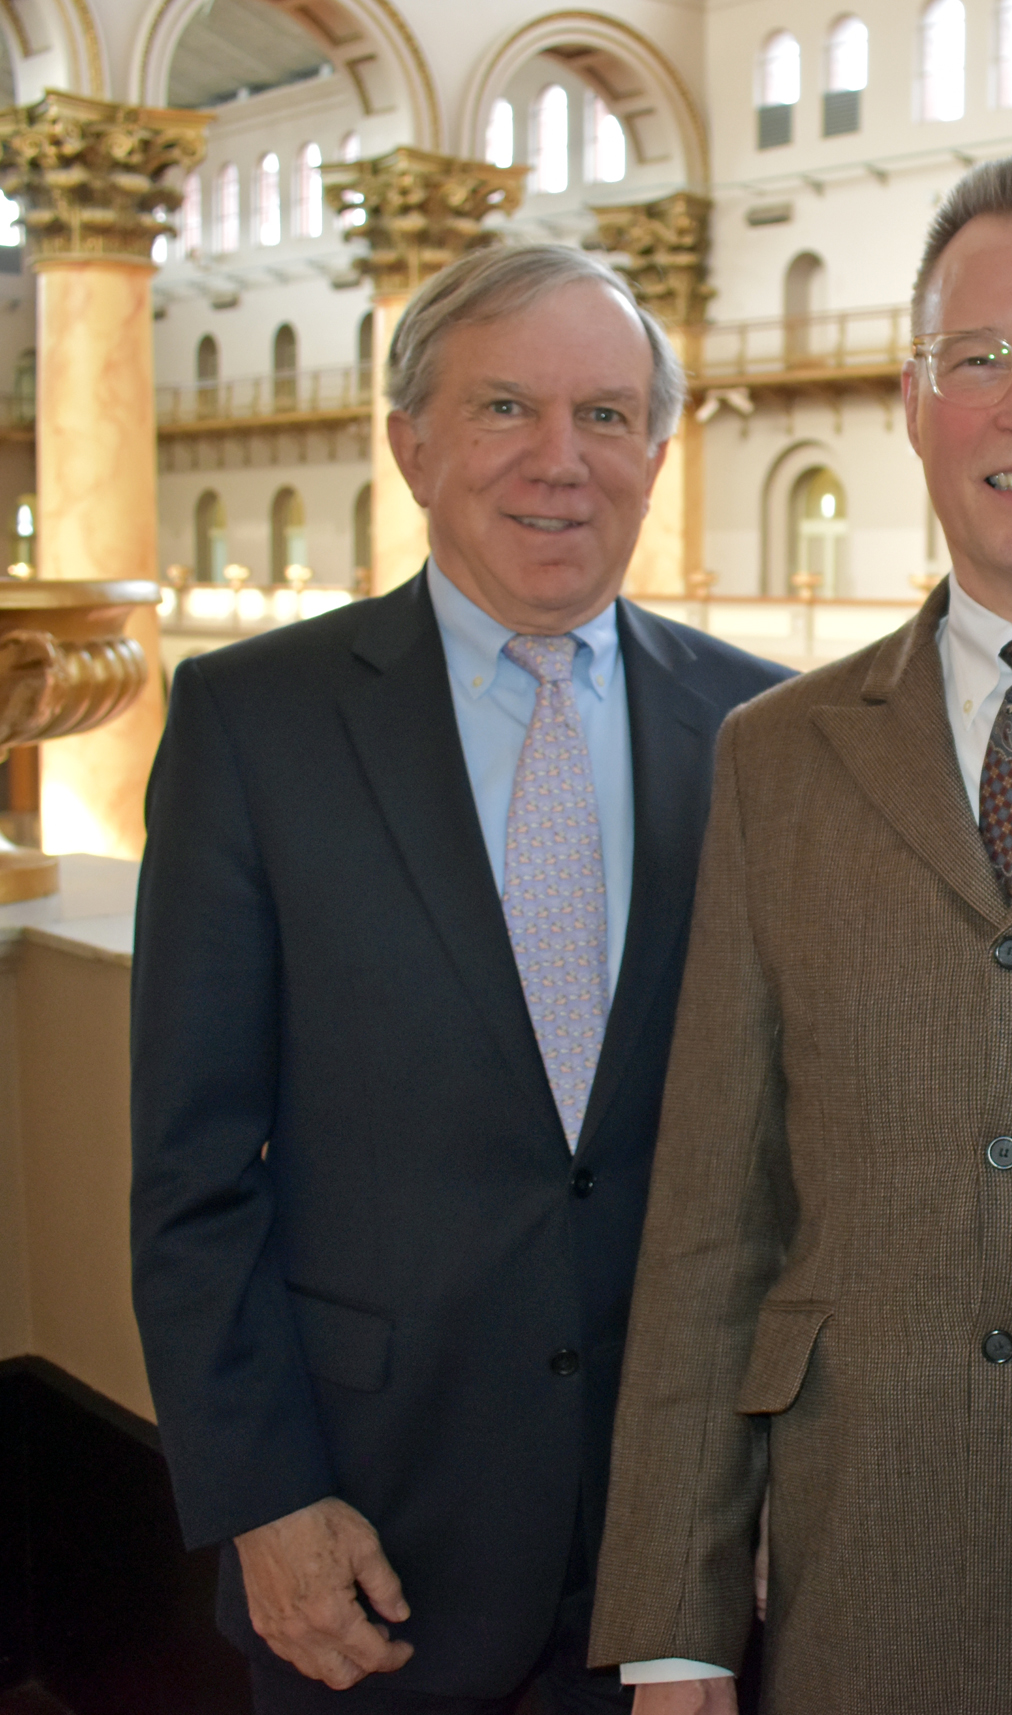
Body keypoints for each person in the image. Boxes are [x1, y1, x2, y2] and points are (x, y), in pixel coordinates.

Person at [587, 154, 1012, 1712]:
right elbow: (716, 1213)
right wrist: (678, 1625)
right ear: (914, 400)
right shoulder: (778, 757)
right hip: (860, 1572)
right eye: (978, 358)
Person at [129, 242, 789, 1711]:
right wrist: (262, 1497)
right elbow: (191, 1170)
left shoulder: (765, 733)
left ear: (659, 451)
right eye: (507, 409)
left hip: (672, 1565)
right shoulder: (258, 726)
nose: (562, 462)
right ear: (412, 443)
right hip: (366, 1549)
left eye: (607, 416)